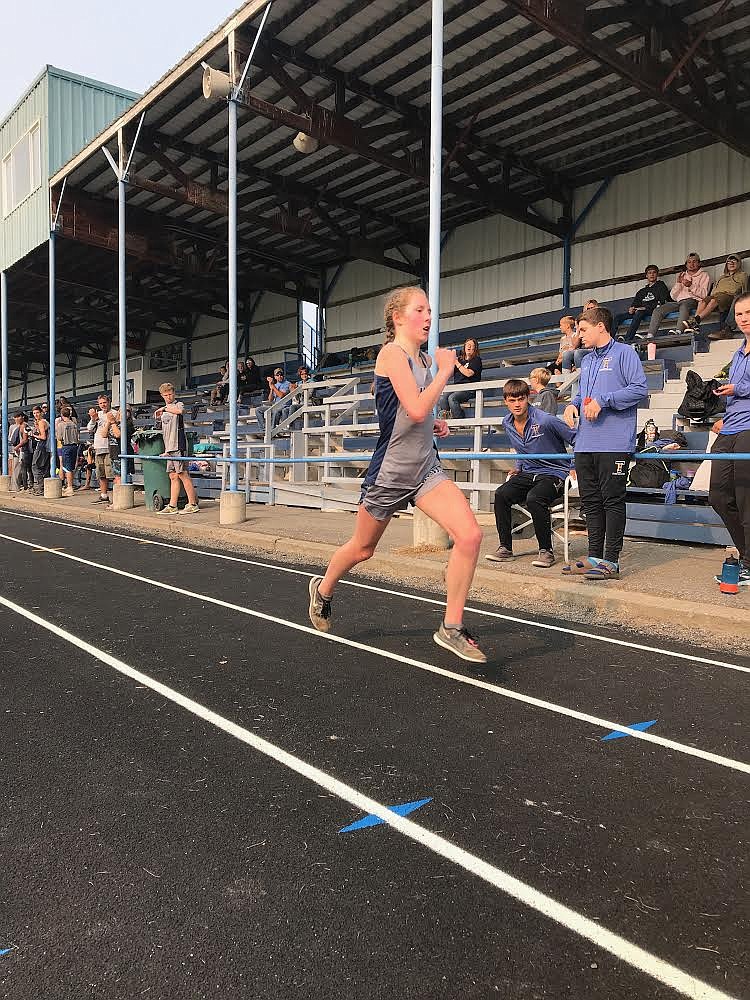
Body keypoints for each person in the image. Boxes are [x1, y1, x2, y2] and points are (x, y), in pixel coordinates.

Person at [307, 286, 486, 663]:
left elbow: (415, 414)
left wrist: (433, 424)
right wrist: (447, 372)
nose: (428, 316)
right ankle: (322, 590)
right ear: (398, 317)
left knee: (470, 535)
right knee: (363, 549)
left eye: (430, 310)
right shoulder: (391, 354)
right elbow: (416, 408)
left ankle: (451, 626)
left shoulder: (421, 358)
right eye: (420, 310)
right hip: (390, 473)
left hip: (425, 470)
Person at [562, 306, 648, 580]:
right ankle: (594, 556)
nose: (579, 336)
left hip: (613, 443)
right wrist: (572, 405)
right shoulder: (587, 361)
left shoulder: (626, 353)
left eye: (583, 330)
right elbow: (584, 395)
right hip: (586, 442)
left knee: (612, 500)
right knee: (591, 501)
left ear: (601, 327)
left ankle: (611, 561)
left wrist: (605, 401)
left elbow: (639, 389)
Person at [487, 379, 575, 568]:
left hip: (555, 473)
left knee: (535, 498)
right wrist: (518, 465)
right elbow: (520, 448)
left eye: (521, 399)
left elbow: (577, 439)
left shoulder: (545, 420)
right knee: (501, 494)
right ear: (505, 401)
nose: (517, 404)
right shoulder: (507, 422)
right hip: (528, 473)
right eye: (512, 400)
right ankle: (505, 548)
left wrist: (575, 466)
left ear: (528, 398)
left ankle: (546, 551)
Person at [708, 291, 750, 586]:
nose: (743, 318)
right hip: (731, 426)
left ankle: (748, 563)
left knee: (747, 499)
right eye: (739, 314)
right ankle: (747, 554)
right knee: (719, 496)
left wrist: (738, 388)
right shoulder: (738, 352)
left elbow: (742, 387)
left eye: (748, 313)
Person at [154, 382, 200, 515]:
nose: (168, 396)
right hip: (169, 447)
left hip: (178, 445)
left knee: (183, 474)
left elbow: (179, 411)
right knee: (173, 476)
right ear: (162, 395)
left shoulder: (177, 405)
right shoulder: (163, 410)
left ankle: (192, 503)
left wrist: (164, 409)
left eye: (170, 394)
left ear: (173, 393)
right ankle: (172, 506)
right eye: (165, 395)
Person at [645, 252, 711, 338]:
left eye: (694, 262)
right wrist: (678, 283)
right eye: (689, 262)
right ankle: (650, 335)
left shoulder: (704, 275)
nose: (692, 264)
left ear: (699, 263)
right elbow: (673, 296)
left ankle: (679, 331)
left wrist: (691, 286)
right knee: (658, 310)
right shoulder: (683, 275)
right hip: (679, 301)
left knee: (685, 304)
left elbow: (704, 294)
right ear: (686, 264)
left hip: (693, 301)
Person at [687, 254, 747, 332]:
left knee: (713, 301)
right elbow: (714, 289)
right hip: (716, 295)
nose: (731, 263)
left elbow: (744, 289)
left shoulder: (743, 275)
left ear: (739, 263)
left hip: (729, 295)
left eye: (734, 261)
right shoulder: (721, 277)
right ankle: (695, 325)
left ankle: (696, 320)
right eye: (729, 262)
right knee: (702, 301)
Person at [612, 265, 671, 343]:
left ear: (657, 274)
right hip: (640, 310)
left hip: (653, 310)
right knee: (618, 317)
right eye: (649, 273)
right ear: (646, 275)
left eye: (654, 272)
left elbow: (662, 302)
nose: (652, 274)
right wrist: (632, 308)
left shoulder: (661, 286)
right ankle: (610, 340)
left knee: (639, 312)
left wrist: (644, 308)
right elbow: (635, 304)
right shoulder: (642, 291)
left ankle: (628, 338)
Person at [438, 338, 483, 419]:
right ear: (464, 347)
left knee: (452, 398)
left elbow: (469, 373)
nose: (469, 347)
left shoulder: (476, 360)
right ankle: (446, 420)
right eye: (467, 345)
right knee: (442, 398)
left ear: (475, 348)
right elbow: (450, 374)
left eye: (472, 345)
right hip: (457, 387)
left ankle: (459, 419)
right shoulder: (460, 360)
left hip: (470, 389)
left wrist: (457, 363)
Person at [87, 394, 116, 504]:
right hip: (98, 446)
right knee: (101, 473)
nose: (103, 405)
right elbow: (90, 428)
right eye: (101, 403)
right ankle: (104, 496)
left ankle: (115, 497)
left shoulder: (113, 413)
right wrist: (93, 419)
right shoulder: (97, 414)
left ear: (109, 402)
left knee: (111, 473)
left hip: (109, 446)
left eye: (104, 402)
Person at [256, 367, 292, 434]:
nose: (279, 376)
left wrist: (273, 387)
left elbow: (281, 395)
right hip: (275, 405)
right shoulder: (275, 385)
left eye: (281, 375)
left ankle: (272, 430)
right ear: (275, 377)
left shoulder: (287, 384)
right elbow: (270, 399)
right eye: (277, 375)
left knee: (276, 410)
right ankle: (263, 429)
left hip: (284, 406)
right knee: (258, 410)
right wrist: (271, 388)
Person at [55, 405, 80, 497]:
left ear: (62, 415)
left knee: (67, 467)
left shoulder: (61, 425)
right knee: (71, 467)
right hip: (74, 446)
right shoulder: (74, 424)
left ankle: (69, 487)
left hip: (66, 446)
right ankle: (69, 485)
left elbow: (59, 437)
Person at [29, 405, 50, 495]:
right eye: (34, 413)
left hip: (42, 446)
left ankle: (40, 488)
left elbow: (43, 437)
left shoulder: (42, 422)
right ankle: (42, 487)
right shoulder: (41, 422)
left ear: (41, 412)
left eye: (37, 412)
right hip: (45, 447)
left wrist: (34, 435)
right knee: (43, 467)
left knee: (36, 466)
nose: (36, 415)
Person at [8, 412, 31, 492]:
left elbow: (25, 439)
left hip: (22, 450)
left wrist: (17, 446)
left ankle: (24, 486)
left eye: (18, 417)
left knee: (22, 469)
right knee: (17, 468)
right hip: (16, 449)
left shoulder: (25, 426)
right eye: (15, 417)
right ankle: (17, 486)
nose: (17, 419)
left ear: (22, 417)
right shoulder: (13, 426)